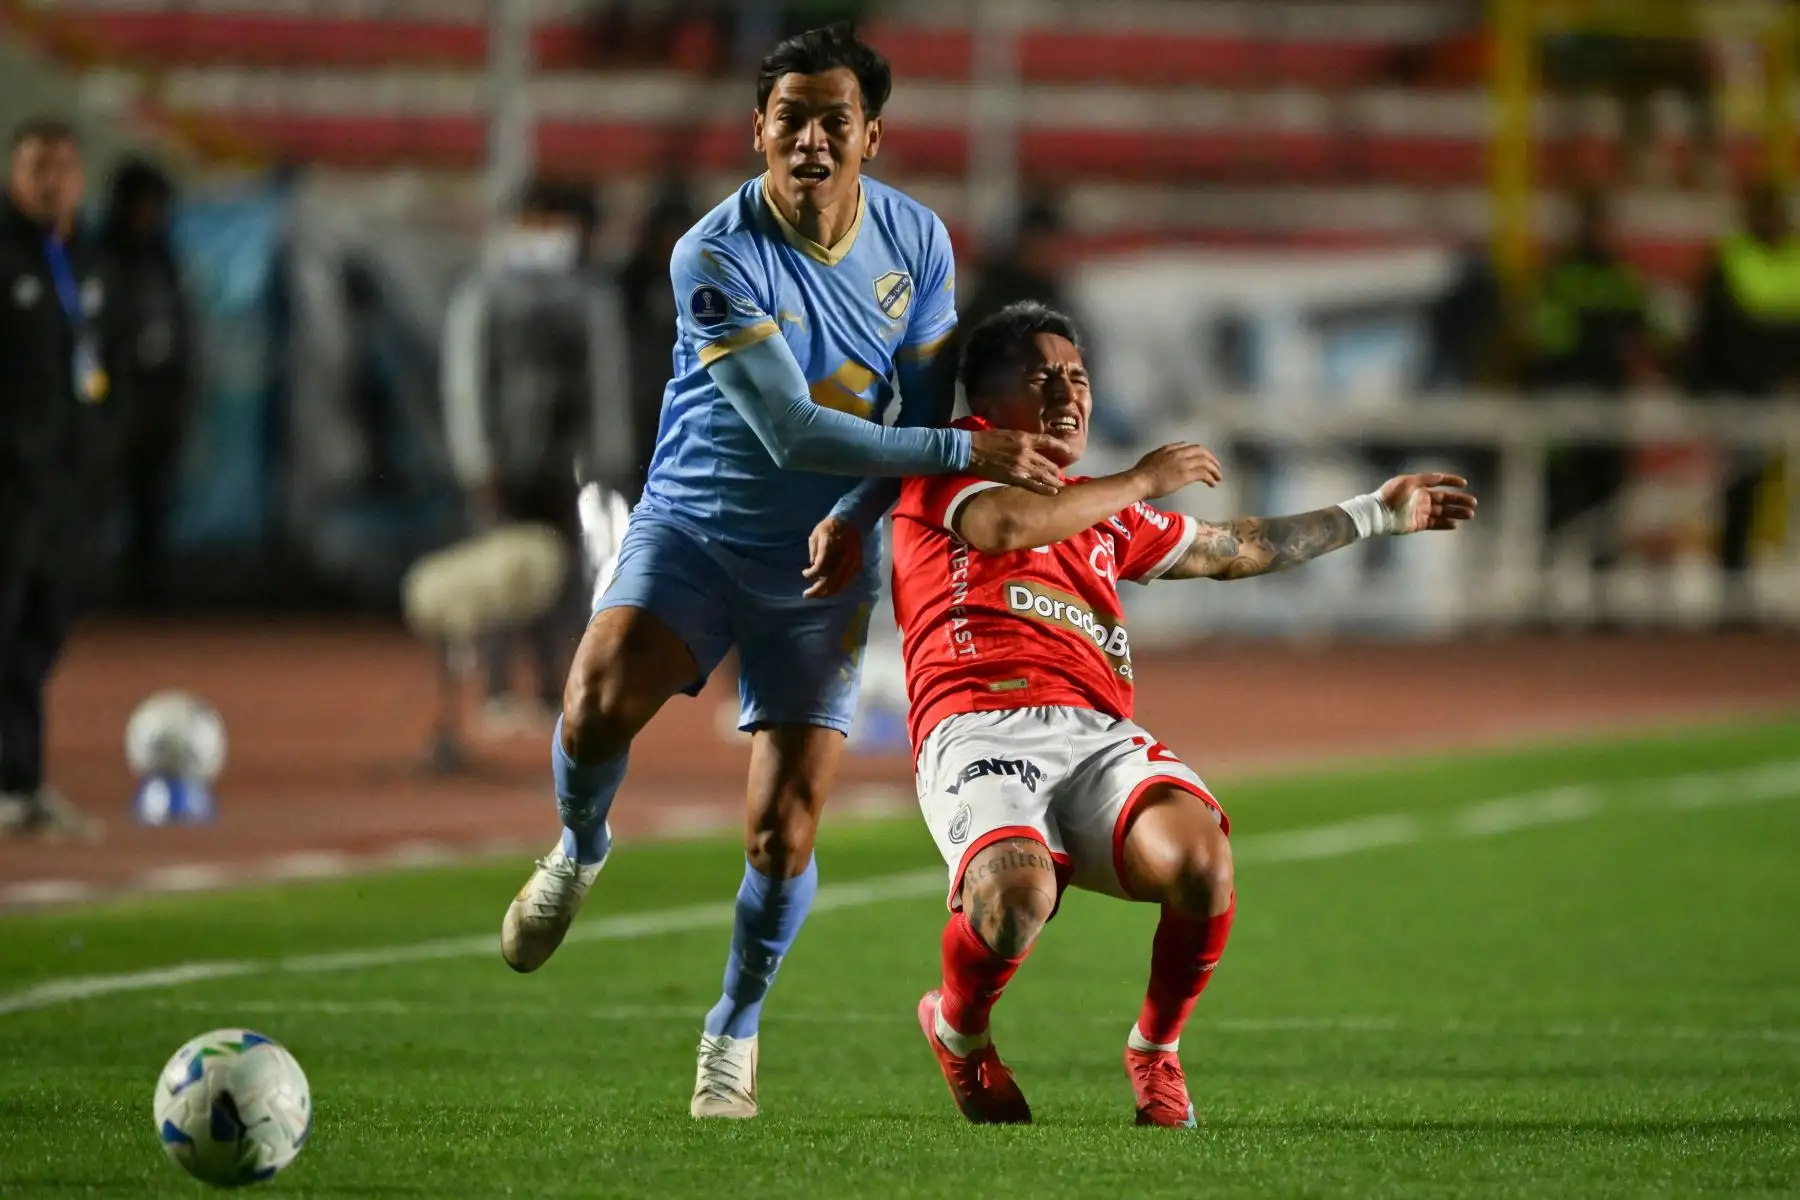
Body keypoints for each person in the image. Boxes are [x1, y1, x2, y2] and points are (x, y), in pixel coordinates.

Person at [496, 24, 1070, 1119]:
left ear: (872, 136)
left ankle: (735, 1026)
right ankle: (578, 850)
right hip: (699, 526)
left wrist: (862, 518)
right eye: (789, 117)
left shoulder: (920, 244)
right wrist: (959, 454)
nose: (810, 138)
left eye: (834, 121)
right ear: (758, 127)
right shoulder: (712, 252)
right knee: (591, 703)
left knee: (781, 830)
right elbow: (789, 430)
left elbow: (912, 404)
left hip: (825, 561)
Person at [882, 302, 1475, 1125]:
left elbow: (1234, 548)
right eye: (1042, 377)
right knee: (1015, 900)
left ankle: (1155, 1051)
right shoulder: (946, 472)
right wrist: (1140, 477)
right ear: (984, 402)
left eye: (1079, 377)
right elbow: (1009, 523)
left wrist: (1375, 510)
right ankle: (959, 1033)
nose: (1068, 394)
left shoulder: (1103, 514)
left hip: (1096, 736)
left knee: (1202, 859)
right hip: (979, 723)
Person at [442, 178, 632, 733]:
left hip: (568, 461)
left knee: (570, 578)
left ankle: (560, 685)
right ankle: (498, 686)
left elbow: (607, 379)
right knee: (500, 575)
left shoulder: (588, 297)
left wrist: (608, 453)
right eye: (537, 220)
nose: (549, 234)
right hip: (506, 460)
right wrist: (477, 459)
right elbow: (467, 380)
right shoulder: (484, 293)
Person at [0, 118, 116, 838]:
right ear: (15, 173)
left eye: (62, 167)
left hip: (62, 491)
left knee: (42, 631)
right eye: (36, 166)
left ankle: (23, 782)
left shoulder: (81, 260)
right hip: (7, 486)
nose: (50, 181)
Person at [1529, 189, 1660, 567]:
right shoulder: (1560, 276)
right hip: (1563, 401)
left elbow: (1646, 331)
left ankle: (1603, 597)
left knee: (1607, 503)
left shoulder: (1623, 278)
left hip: (1610, 403)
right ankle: (1550, 594)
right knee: (1559, 503)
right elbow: (1547, 336)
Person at [1685, 179, 1800, 584]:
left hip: (1786, 394)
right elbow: (1714, 330)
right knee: (1740, 489)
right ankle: (1733, 583)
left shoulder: (1794, 259)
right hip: (1740, 390)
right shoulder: (1731, 259)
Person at [99, 157, 196, 614]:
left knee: (155, 505)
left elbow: (182, 331)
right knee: (97, 503)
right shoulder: (102, 259)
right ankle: (91, 597)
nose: (150, 214)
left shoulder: (166, 259)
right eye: (144, 204)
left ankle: (150, 599)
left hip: (161, 400)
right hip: (115, 401)